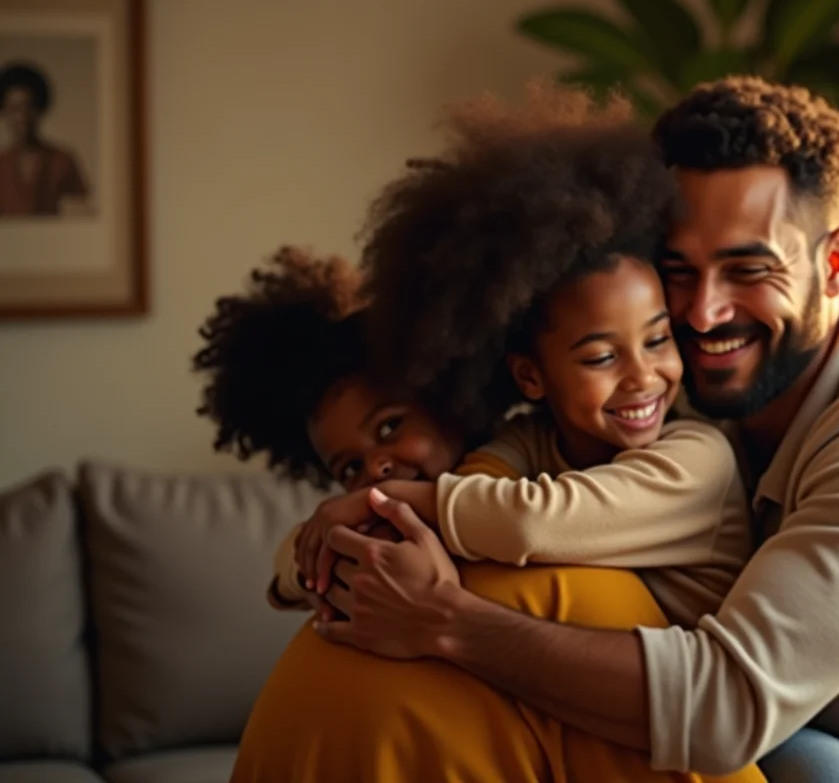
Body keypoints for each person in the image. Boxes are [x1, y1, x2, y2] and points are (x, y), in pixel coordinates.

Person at [301, 77, 839, 783]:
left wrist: (446, 622)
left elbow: (722, 708)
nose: (703, 313)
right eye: (679, 271)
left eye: (749, 270)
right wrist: (377, 513)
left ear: (838, 264)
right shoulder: (696, 401)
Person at [195, 104, 762, 781]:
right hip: (568, 713)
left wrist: (386, 507)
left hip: (664, 723)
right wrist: (325, 546)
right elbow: (470, 493)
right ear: (529, 375)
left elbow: (527, 518)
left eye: (657, 339)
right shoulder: (525, 444)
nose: (643, 375)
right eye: (599, 357)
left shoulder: (695, 459)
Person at [0, 61, 91, 217]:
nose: (22, 117)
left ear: (40, 108)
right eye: (15, 108)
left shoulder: (63, 160)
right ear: (4, 111)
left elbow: (81, 214)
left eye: (29, 107)